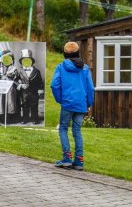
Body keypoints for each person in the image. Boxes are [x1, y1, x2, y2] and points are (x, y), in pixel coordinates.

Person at [50, 41, 94, 170]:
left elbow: (54, 85)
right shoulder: (85, 68)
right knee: (77, 130)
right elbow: (90, 88)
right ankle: (79, 161)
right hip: (81, 104)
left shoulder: (61, 67)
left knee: (63, 128)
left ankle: (67, 158)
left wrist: (60, 100)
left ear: (65, 54)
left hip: (67, 103)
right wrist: (89, 103)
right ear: (77, 53)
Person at [16, 48, 45, 124]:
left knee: (34, 105)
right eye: (24, 60)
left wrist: (40, 89)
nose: (26, 62)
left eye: (28, 60)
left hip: (34, 91)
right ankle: (25, 119)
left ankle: (35, 119)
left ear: (32, 61)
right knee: (25, 105)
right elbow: (15, 80)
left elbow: (39, 81)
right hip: (24, 92)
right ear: (21, 62)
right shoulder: (19, 71)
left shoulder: (36, 71)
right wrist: (20, 85)